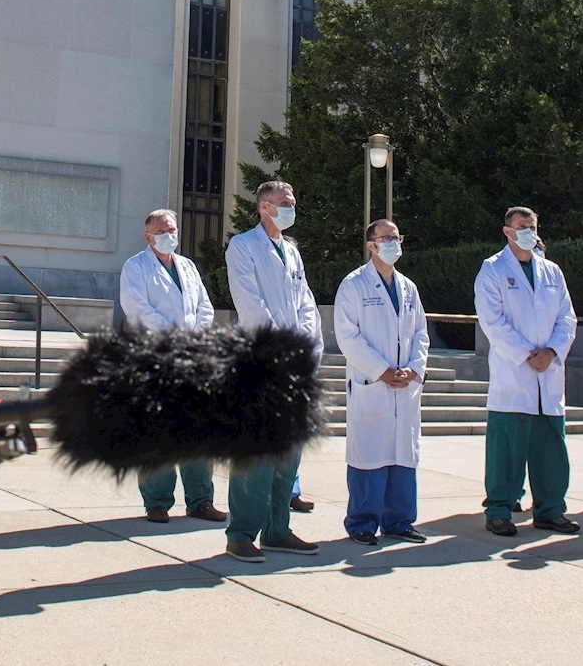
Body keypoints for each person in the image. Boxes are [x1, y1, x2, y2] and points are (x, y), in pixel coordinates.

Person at [221, 180, 324, 562]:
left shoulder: (291, 252)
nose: (290, 207)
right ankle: (241, 534)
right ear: (264, 206)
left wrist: (310, 348)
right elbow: (251, 305)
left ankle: (277, 530)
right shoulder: (243, 246)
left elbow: (307, 304)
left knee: (287, 453)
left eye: (292, 201)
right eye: (284, 202)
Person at [475, 206, 579, 536]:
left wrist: (552, 351)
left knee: (551, 448)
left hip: (547, 374)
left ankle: (551, 509)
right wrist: (525, 354)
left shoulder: (552, 272)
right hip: (514, 375)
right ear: (507, 231)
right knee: (507, 449)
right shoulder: (492, 269)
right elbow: (493, 322)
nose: (529, 232)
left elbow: (567, 318)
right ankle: (499, 510)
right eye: (522, 227)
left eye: (532, 226)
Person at [119, 208, 227, 524]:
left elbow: (204, 307)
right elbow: (138, 309)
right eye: (163, 230)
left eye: (173, 229)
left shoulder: (188, 267)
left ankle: (200, 501)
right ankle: (156, 501)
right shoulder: (135, 267)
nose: (170, 235)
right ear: (148, 236)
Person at [332, 219, 430, 546]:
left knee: (403, 453)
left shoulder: (409, 287)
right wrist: (382, 371)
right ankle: (362, 522)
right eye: (385, 238)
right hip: (372, 383)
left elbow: (420, 335)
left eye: (396, 237)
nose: (392, 243)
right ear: (371, 245)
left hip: (405, 385)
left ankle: (399, 521)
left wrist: (414, 369)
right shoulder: (354, 284)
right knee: (369, 455)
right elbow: (349, 337)